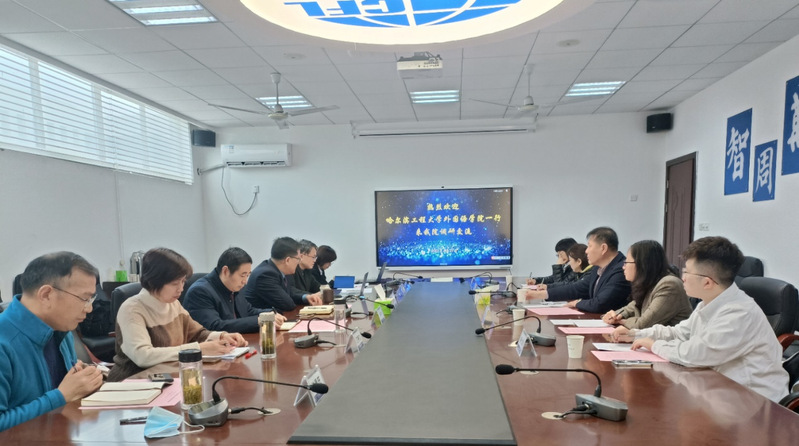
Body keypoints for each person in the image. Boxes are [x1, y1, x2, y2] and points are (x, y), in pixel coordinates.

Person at [619, 236, 788, 402]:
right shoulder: (708, 302)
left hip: (754, 401)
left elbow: (695, 354)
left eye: (687, 272)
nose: (683, 277)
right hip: (719, 389)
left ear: (707, 283)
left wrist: (654, 345)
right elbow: (680, 333)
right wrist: (636, 335)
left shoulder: (739, 313)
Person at [0, 252, 104, 431]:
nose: (89, 308)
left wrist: (83, 383)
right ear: (47, 294)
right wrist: (61, 396)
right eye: (84, 299)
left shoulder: (61, 329)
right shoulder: (4, 342)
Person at [109, 248, 246, 382]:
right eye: (175, 283)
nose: (181, 288)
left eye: (183, 281)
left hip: (168, 378)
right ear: (154, 281)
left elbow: (197, 334)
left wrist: (222, 336)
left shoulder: (173, 304)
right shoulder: (132, 309)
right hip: (133, 383)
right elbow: (143, 356)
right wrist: (198, 349)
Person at [528, 227, 630, 313]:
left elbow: (600, 303)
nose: (586, 251)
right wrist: (539, 294)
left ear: (603, 248)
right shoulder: (598, 268)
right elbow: (577, 288)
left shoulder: (621, 270)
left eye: (589, 246)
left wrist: (577, 303)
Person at [183, 247, 286, 333]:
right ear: (226, 271)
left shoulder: (233, 285)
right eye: (242, 275)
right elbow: (215, 326)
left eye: (248, 275)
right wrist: (259, 321)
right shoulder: (200, 292)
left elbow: (248, 311)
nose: (245, 281)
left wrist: (270, 314)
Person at [603, 240, 691, 334]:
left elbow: (642, 325)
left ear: (642, 264)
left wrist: (621, 321)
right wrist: (615, 315)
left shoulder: (669, 285)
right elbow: (631, 307)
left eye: (626, 262)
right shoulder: (649, 282)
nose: (623, 267)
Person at [243, 237, 324, 312]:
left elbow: (290, 292)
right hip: (262, 320)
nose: (298, 262)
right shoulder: (266, 275)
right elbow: (288, 304)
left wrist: (306, 297)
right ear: (287, 260)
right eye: (298, 259)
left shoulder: (282, 271)